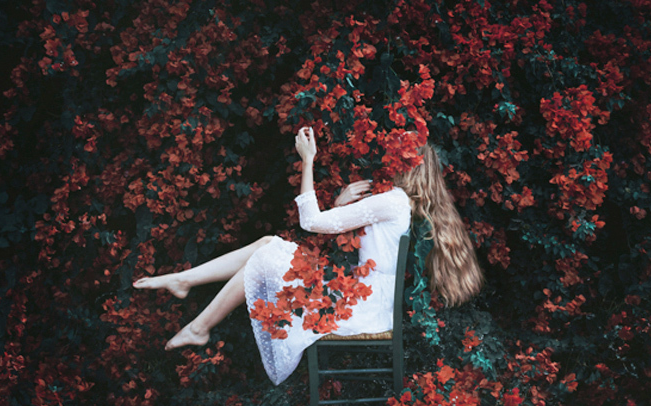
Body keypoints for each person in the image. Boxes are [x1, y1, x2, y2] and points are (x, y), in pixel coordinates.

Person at [133, 127, 483, 385]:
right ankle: (184, 282)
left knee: (266, 257)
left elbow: (311, 222)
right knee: (267, 243)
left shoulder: (391, 201)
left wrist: (308, 160)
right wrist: (341, 205)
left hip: (360, 308)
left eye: (396, 154)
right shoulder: (398, 203)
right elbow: (346, 237)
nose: (388, 159)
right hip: (366, 302)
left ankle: (199, 326)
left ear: (408, 164)